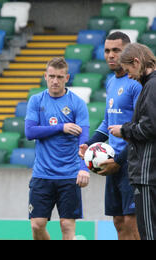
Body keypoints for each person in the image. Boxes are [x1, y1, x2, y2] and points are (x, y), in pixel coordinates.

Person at [79, 32, 141, 240]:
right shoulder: (110, 82)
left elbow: (141, 127)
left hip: (133, 162)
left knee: (134, 221)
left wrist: (119, 160)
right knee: (118, 221)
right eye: (107, 50)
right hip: (112, 162)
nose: (111, 55)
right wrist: (89, 143)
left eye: (116, 50)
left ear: (128, 51)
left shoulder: (136, 83)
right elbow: (107, 122)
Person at [25, 57, 90, 240]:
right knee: (37, 225)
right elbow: (29, 132)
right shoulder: (36, 101)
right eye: (51, 76)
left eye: (59, 77)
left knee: (67, 226)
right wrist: (61, 127)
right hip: (42, 174)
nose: (55, 81)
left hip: (69, 174)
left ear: (67, 77)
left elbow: (83, 139)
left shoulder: (77, 103)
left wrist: (83, 168)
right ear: (45, 76)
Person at [108, 43, 156, 240]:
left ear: (137, 62)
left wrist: (123, 130)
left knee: (149, 233)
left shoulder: (152, 86)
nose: (128, 76)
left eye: (128, 70)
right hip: (148, 172)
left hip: (147, 174)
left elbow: (150, 127)